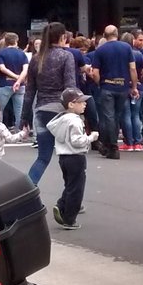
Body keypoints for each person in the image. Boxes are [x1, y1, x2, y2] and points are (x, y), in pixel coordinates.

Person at [21, 22, 76, 186]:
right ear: (62, 37)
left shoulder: (37, 59)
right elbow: (70, 87)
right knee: (68, 157)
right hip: (61, 110)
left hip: (42, 110)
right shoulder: (66, 56)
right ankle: (70, 199)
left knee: (43, 157)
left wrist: (25, 116)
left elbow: (29, 91)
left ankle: (28, 190)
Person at [47, 88, 100, 231]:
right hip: (76, 157)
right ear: (71, 104)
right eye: (81, 102)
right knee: (77, 188)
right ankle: (69, 219)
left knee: (70, 185)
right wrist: (91, 138)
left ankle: (61, 205)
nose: (85, 104)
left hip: (63, 157)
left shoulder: (61, 120)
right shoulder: (75, 121)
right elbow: (77, 141)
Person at [91, 25, 138, 159]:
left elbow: (95, 72)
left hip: (107, 86)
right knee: (116, 117)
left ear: (104, 36)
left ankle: (111, 146)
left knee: (108, 117)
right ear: (117, 34)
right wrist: (133, 86)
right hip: (122, 86)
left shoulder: (101, 50)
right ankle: (109, 145)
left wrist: (100, 83)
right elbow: (133, 69)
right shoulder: (126, 48)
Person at [0, 32, 27, 127]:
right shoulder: (22, 54)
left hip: (5, 83)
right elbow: (25, 70)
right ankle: (20, 133)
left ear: (5, 41)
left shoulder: (0, 53)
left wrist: (15, 77)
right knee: (19, 111)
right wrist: (19, 79)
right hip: (20, 85)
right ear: (17, 41)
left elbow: (3, 68)